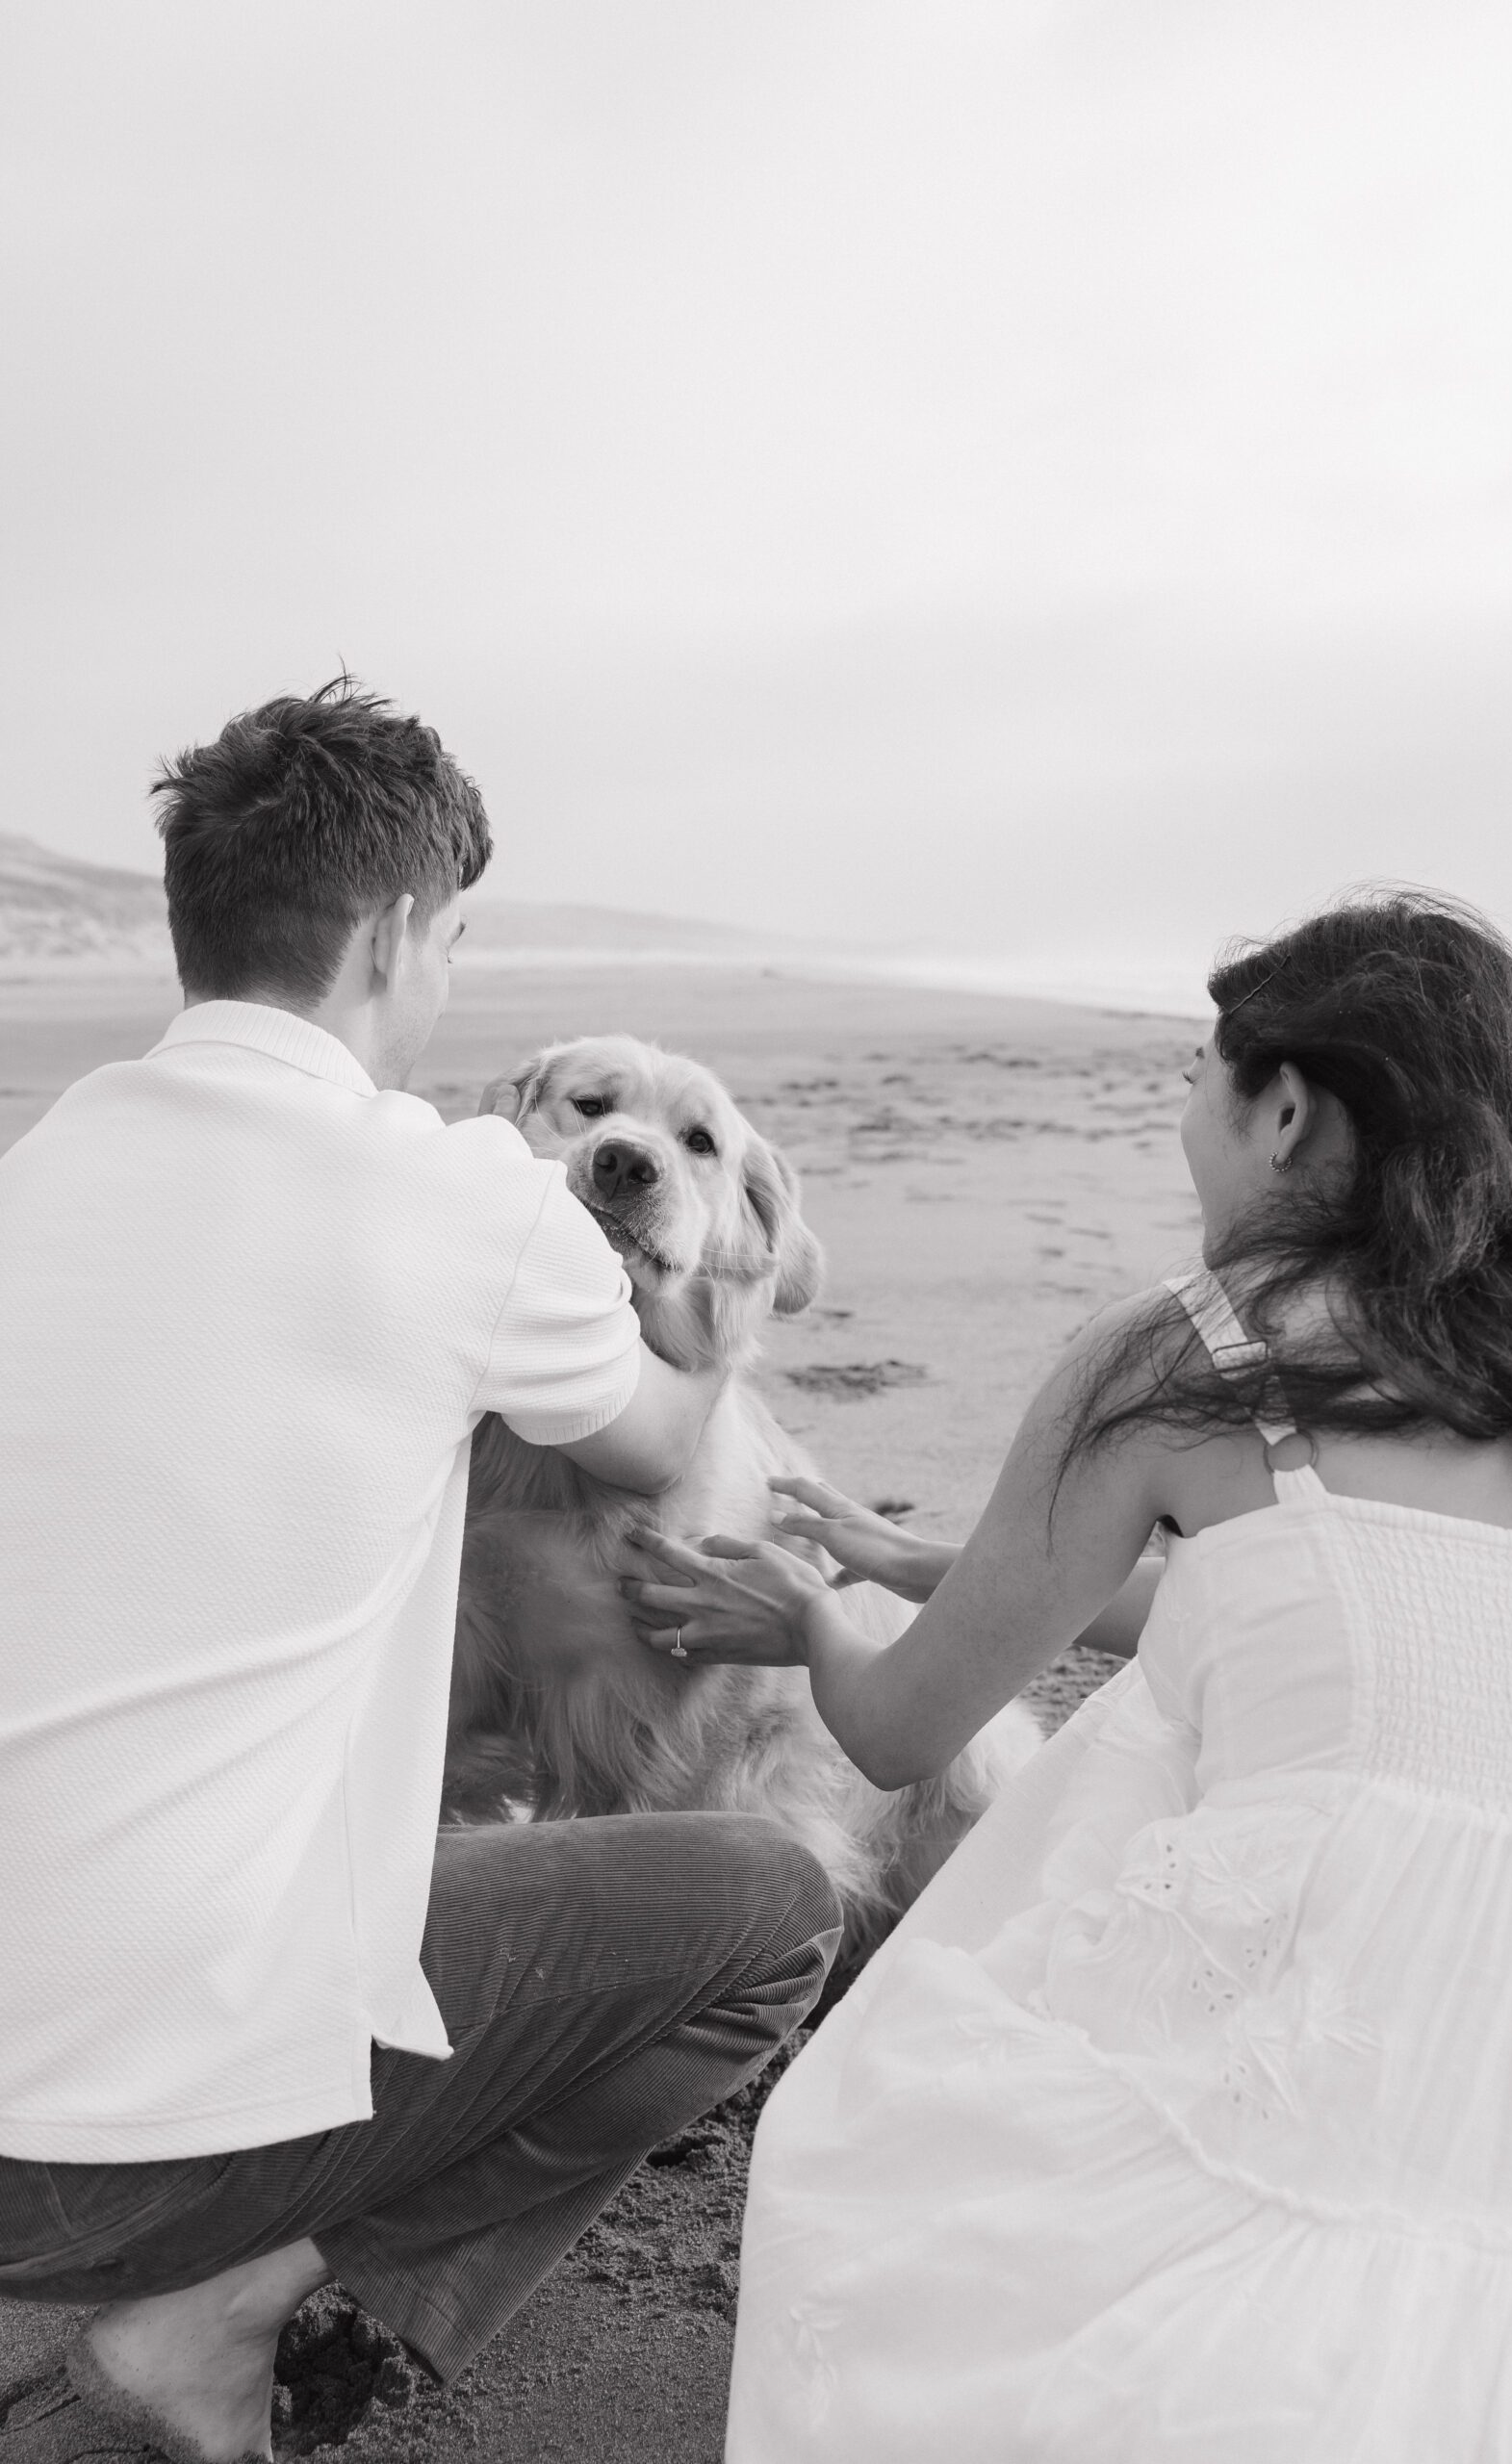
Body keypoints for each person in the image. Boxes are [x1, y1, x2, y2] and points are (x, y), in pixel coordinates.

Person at [625, 892, 1512, 2462]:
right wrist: (927, 1569)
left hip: (1343, 2002)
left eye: (1200, 1073)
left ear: (1284, 1106)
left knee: (854, 2158)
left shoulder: (1191, 1351)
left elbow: (900, 1735)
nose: (1189, 1115)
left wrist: (817, 1622)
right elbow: (1318, 1612)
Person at [0, 680, 840, 2464]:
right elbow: (664, 1429)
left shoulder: (34, 1173)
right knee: (771, 1910)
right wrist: (728, 1308)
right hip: (127, 2153)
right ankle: (217, 2329)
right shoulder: (468, 1204)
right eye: (453, 938)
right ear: (394, 931)